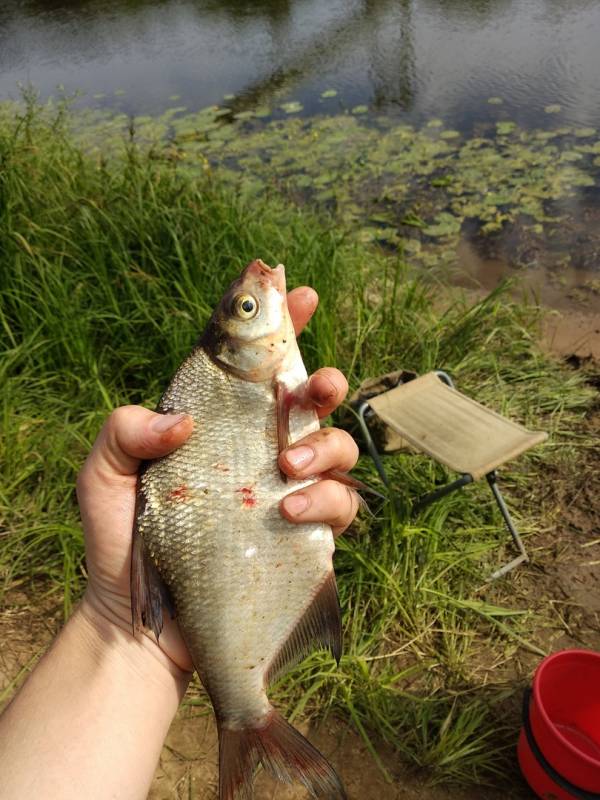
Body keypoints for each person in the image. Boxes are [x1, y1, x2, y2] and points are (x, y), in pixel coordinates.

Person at [0, 287, 360, 799]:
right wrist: (117, 610)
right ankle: (245, 719)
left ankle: (243, 713)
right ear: (229, 345)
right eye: (247, 308)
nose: (258, 287)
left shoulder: (260, 378)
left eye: (246, 307)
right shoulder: (220, 382)